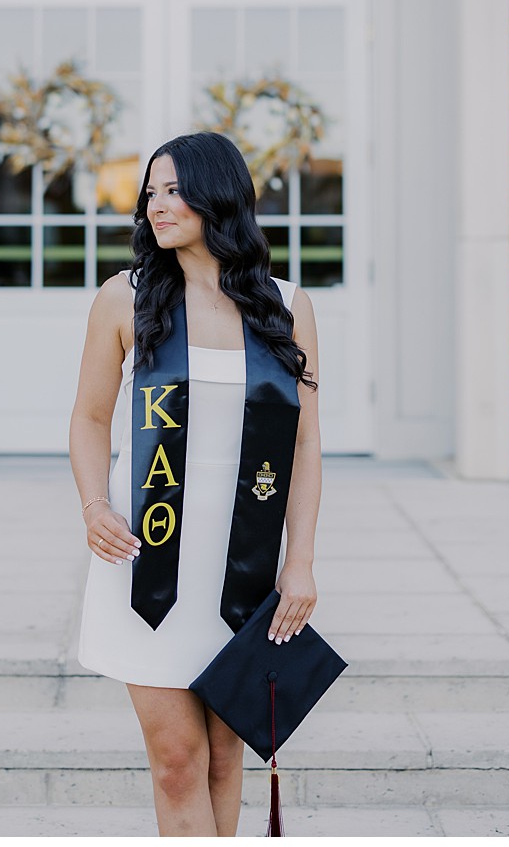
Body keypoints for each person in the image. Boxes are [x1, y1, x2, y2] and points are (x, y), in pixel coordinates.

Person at [68, 131, 324, 835]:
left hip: (241, 569)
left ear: (220, 193)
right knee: (177, 759)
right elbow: (89, 419)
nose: (157, 204)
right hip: (146, 561)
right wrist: (93, 504)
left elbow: (305, 444)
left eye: (174, 189)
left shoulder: (285, 306)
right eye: (150, 191)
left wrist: (298, 562)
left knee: (221, 756)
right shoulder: (126, 299)